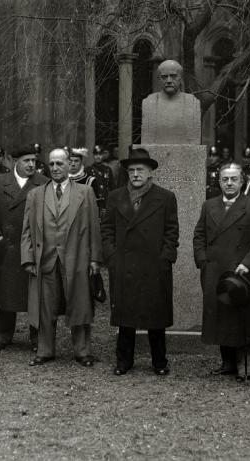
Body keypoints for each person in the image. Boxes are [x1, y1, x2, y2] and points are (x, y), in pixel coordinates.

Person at [21, 148, 103, 367]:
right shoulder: (36, 195)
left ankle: (83, 351)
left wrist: (95, 259)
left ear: (70, 165)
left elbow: (95, 228)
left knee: (79, 303)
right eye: (52, 164)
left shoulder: (85, 192)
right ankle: (45, 350)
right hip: (45, 260)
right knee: (45, 306)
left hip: (76, 260)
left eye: (60, 163)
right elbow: (27, 231)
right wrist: (28, 259)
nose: (55, 168)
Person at [101, 148, 179, 376]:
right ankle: (124, 361)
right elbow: (106, 229)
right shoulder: (115, 197)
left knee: (156, 317)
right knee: (126, 316)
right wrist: (112, 256)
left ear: (150, 173)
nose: (135, 174)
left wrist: (166, 258)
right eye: (132, 170)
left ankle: (159, 362)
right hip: (124, 264)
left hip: (154, 266)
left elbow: (171, 232)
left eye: (140, 170)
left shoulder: (165, 198)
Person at [193, 162, 250, 381]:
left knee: (241, 319)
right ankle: (227, 363)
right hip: (215, 270)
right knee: (219, 317)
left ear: (242, 181)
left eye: (233, 179)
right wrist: (203, 261)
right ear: (219, 181)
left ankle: (245, 365)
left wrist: (248, 263)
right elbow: (199, 236)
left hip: (241, 272)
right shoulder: (209, 206)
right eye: (225, 179)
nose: (229, 183)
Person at [0, 146, 47, 351]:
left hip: (33, 248)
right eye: (26, 160)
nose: (31, 165)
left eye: (34, 161)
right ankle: (3, 335)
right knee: (6, 293)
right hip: (7, 247)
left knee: (35, 293)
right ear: (14, 161)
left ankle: (37, 337)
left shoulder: (43, 183)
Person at [69, 148, 105, 213]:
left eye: (76, 161)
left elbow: (95, 206)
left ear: (81, 162)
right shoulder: (60, 180)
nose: (73, 164)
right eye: (70, 161)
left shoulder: (90, 181)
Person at [90, 145, 116, 218]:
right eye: (96, 155)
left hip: (106, 201)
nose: (98, 157)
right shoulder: (88, 170)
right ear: (93, 155)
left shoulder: (107, 170)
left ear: (103, 155)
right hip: (93, 201)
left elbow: (112, 186)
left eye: (100, 154)